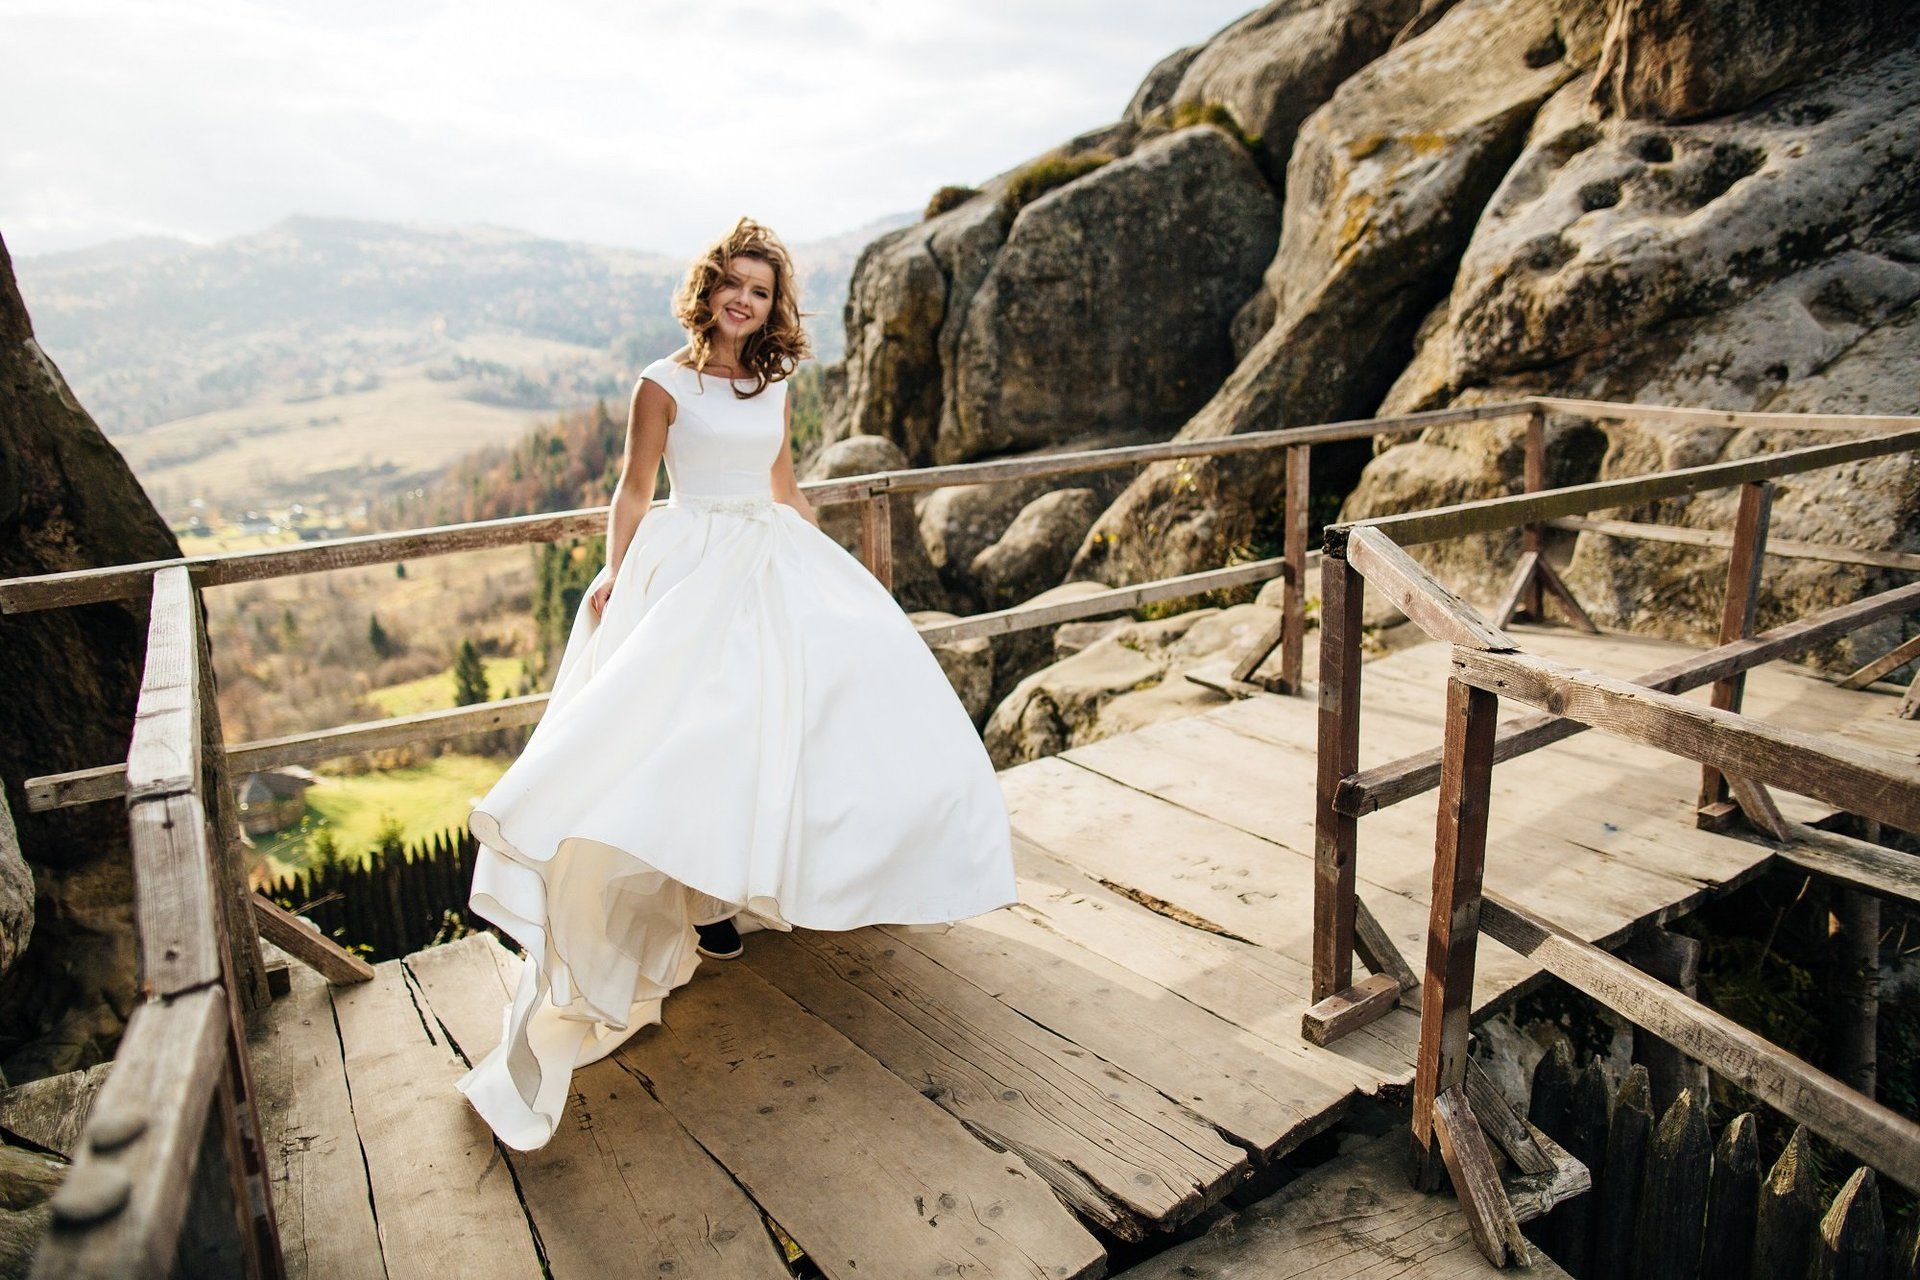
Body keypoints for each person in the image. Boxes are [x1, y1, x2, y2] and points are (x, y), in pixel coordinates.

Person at [453, 217, 1018, 1151]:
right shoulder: (661, 383)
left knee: (792, 730)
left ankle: (760, 893)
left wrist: (835, 571)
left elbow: (784, 486)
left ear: (771, 305)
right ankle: (704, 909)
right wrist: (613, 572)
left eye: (761, 290)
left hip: (773, 560)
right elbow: (635, 490)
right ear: (708, 291)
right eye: (733, 286)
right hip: (691, 568)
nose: (744, 301)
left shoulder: (776, 380)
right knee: (691, 739)